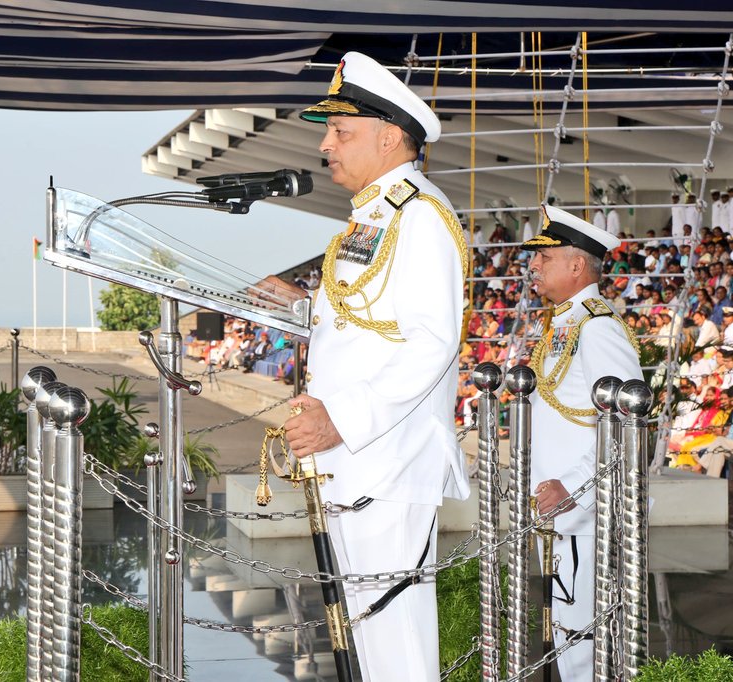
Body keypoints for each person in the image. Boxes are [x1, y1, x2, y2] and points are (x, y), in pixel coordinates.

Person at [284, 51, 470, 682]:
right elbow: (366, 318)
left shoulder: (420, 215)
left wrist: (341, 418)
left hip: (386, 455)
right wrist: (305, 305)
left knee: (394, 635)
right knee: (363, 628)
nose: (324, 143)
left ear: (391, 136)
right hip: (358, 456)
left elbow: (430, 341)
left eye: (341, 131)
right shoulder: (377, 213)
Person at [522, 203, 643, 681]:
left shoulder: (598, 327)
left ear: (577, 265)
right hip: (558, 509)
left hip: (582, 509)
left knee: (584, 642)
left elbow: (629, 428)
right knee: (567, 635)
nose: (533, 265)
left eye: (544, 258)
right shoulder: (563, 323)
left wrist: (574, 488)